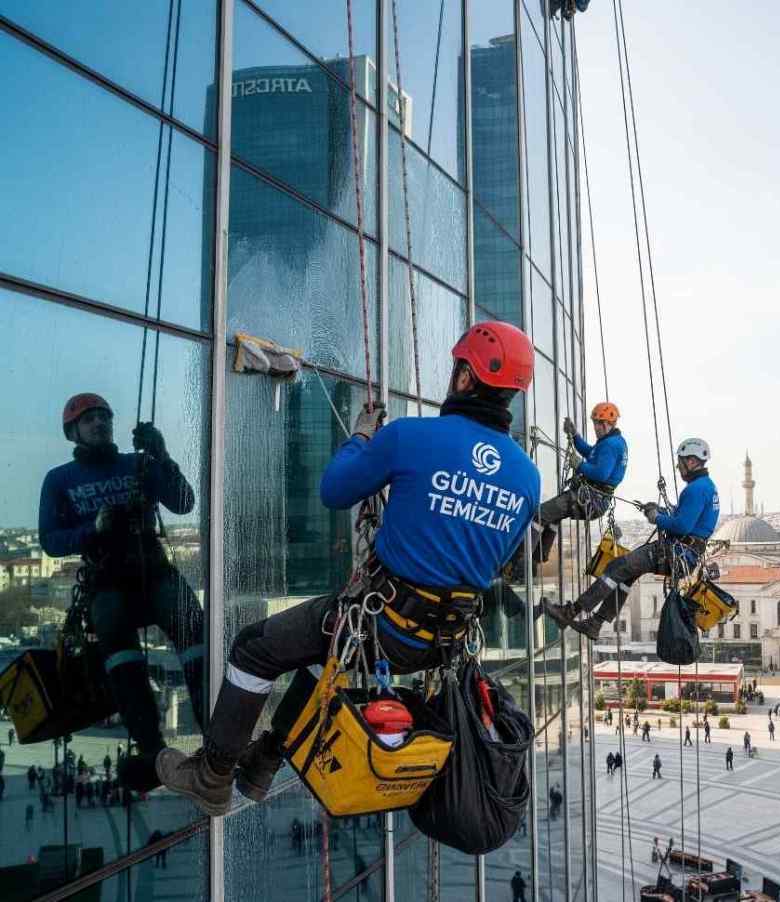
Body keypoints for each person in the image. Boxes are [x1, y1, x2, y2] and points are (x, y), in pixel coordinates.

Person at [156, 324, 540, 815]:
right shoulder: (528, 476)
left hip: (380, 624)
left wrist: (361, 437)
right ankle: (263, 761)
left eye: (457, 369)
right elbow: (495, 558)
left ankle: (212, 775)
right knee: (319, 661)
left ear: (465, 378)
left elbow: (335, 491)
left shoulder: (410, 437)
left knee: (254, 650)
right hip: (434, 644)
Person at [40, 393, 204, 791]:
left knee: (196, 636)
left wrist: (161, 454)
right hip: (107, 577)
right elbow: (50, 540)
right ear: (73, 431)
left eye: (104, 417)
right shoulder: (60, 480)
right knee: (121, 658)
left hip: (151, 566)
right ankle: (153, 750)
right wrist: (93, 529)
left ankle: (215, 730)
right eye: (90, 419)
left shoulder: (139, 464)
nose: (99, 423)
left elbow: (183, 502)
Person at [542, 438, 718, 640]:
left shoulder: (696, 489)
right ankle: (595, 623)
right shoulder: (706, 487)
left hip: (675, 552)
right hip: (682, 554)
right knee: (626, 575)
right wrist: (658, 509)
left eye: (681, 462)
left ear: (692, 462)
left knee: (617, 567)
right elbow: (684, 516)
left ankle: (571, 612)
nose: (679, 466)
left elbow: (682, 525)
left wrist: (656, 518)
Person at [514, 403, 626, 575]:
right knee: (552, 517)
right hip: (593, 499)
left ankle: (519, 562)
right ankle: (536, 559)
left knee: (540, 514)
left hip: (590, 498)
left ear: (604, 424)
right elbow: (591, 452)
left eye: (596, 424)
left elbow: (601, 474)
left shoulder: (611, 445)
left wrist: (579, 465)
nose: (595, 428)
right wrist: (575, 436)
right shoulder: (611, 443)